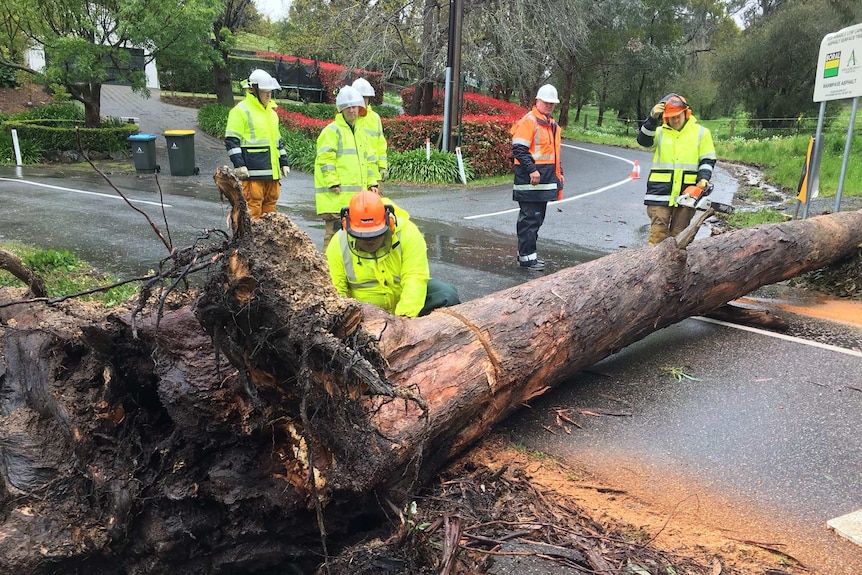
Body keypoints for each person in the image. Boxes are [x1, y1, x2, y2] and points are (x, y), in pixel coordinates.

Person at [326, 190, 460, 318]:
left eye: (375, 234)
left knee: (446, 294)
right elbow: (335, 291)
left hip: (406, 301)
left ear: (389, 223)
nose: (369, 240)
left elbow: (415, 277)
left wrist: (403, 319)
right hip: (364, 311)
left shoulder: (408, 233)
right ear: (347, 226)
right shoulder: (338, 243)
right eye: (362, 236)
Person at [636, 93, 716, 245]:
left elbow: (707, 159)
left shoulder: (701, 133)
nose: (675, 119)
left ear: (686, 113)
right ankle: (652, 266)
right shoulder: (659, 132)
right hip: (660, 193)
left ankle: (675, 266)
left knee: (680, 236)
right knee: (658, 233)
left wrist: (703, 178)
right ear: (665, 117)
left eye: (678, 115)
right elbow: (643, 141)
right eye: (671, 116)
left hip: (687, 192)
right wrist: (652, 119)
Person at [315, 85, 380, 250]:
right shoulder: (332, 131)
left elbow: (370, 162)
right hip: (337, 197)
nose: (352, 110)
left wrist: (373, 184)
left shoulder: (361, 133)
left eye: (355, 107)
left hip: (356, 200)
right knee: (334, 239)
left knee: (353, 239)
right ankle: (328, 272)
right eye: (348, 107)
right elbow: (325, 159)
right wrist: (332, 182)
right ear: (341, 110)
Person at [510, 84, 564, 271]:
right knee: (529, 221)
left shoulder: (552, 125)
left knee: (535, 220)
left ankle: (527, 255)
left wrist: (559, 175)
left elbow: (554, 154)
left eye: (552, 103)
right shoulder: (529, 121)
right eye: (546, 102)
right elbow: (518, 149)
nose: (549, 105)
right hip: (530, 182)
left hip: (544, 183)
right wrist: (532, 170)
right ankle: (527, 258)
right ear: (537, 101)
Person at [224, 69, 291, 219]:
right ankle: (250, 242)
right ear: (253, 90)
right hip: (253, 174)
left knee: (269, 216)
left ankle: (264, 242)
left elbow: (277, 142)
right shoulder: (240, 111)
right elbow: (232, 140)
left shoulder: (272, 114)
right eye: (265, 91)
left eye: (270, 91)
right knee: (252, 212)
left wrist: (284, 162)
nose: (269, 94)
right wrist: (239, 165)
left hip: (272, 175)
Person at [351, 77, 389, 186]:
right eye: (360, 97)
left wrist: (383, 167)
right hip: (355, 173)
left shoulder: (375, 118)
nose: (363, 101)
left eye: (365, 98)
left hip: (374, 174)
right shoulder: (350, 117)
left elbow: (381, 145)